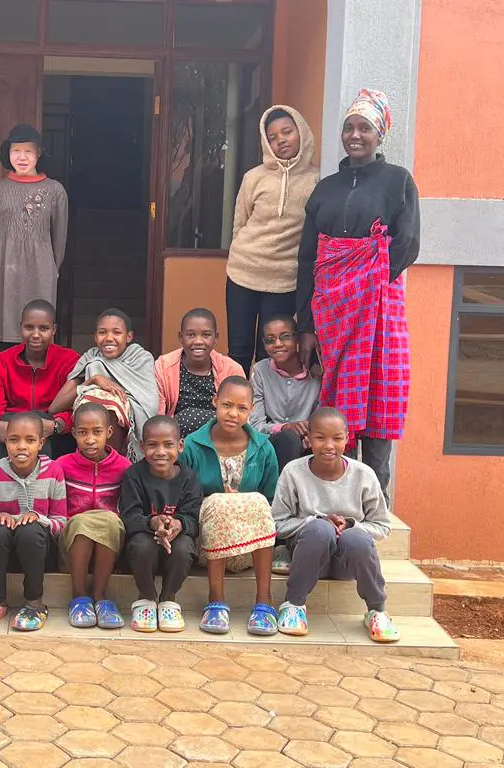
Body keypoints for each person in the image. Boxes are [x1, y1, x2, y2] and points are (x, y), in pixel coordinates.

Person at [296, 89, 420, 494]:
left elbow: (407, 244)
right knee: (337, 403)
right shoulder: (325, 188)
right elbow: (308, 258)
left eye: (364, 127)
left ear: (379, 133)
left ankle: (375, 506)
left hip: (378, 308)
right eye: (349, 127)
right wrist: (307, 323)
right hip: (331, 309)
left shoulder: (399, 181)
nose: (355, 135)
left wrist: (368, 286)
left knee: (379, 394)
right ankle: (335, 499)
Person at [270, 407, 397, 642]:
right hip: (307, 556)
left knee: (356, 538)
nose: (329, 445)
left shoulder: (364, 475)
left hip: (346, 563)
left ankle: (377, 611)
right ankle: (294, 604)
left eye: (337, 438)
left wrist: (350, 525)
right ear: (308, 439)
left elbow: (382, 525)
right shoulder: (293, 472)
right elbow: (277, 522)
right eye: (320, 438)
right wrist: (317, 521)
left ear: (347, 439)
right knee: (319, 530)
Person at [180, 376, 279, 636]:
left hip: (250, 547)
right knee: (218, 502)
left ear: (251, 410)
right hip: (206, 545)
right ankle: (215, 601)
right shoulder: (192, 444)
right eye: (226, 405)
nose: (233, 413)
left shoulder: (263, 448)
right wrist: (222, 501)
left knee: (256, 501)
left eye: (242, 408)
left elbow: (270, 501)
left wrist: (240, 503)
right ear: (215, 402)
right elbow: (184, 499)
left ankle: (264, 601)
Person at [226, 106, 319, 375]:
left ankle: (261, 410)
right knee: (239, 349)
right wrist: (237, 256)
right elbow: (239, 224)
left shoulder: (316, 180)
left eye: (287, 132)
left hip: (284, 281)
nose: (281, 140)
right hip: (243, 273)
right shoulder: (254, 177)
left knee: (270, 351)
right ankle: (235, 408)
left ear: (301, 132)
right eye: (273, 137)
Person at [0, 413, 67, 632]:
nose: (21, 447)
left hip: (39, 551)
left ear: (41, 443)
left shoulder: (54, 471)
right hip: (3, 552)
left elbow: (61, 522)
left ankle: (34, 604)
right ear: (5, 441)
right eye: (14, 440)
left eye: (30, 440)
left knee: (30, 531)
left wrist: (38, 519)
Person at [0, 124, 69, 348]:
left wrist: (52, 267)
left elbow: (59, 238)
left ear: (38, 153)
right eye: (16, 151)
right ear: (8, 153)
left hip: (42, 268)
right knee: (8, 330)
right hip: (6, 269)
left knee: (39, 332)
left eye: (28, 151)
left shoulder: (55, 190)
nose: (22, 157)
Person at [120, 415, 202, 633]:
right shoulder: (134, 475)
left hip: (176, 539)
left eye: (168, 445)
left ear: (180, 446)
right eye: (152, 445)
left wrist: (178, 524)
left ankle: (168, 599)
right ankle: (146, 597)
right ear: (141, 446)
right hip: (144, 536)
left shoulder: (189, 478)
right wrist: (153, 522)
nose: (160, 452)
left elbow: (194, 519)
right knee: (142, 546)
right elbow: (129, 517)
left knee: (184, 548)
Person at [54, 403, 131, 630]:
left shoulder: (124, 468)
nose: (90, 439)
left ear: (109, 433)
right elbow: (57, 511)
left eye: (97, 432)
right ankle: (79, 597)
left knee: (108, 520)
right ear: (74, 433)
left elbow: (126, 511)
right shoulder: (62, 466)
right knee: (81, 522)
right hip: (73, 541)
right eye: (83, 432)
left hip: (108, 541)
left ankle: (100, 597)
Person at [49, 309, 158, 460]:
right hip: (89, 431)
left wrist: (118, 402)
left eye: (116, 332)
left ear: (129, 336)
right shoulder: (90, 359)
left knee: (109, 402)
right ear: (95, 337)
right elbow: (55, 407)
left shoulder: (141, 358)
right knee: (94, 398)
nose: (108, 338)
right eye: (102, 332)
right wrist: (92, 380)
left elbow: (150, 404)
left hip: (127, 431)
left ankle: (111, 465)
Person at [0, 300, 80, 462]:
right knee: (12, 422)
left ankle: (42, 481)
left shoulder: (69, 360)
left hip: (54, 435)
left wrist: (56, 425)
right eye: (29, 327)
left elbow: (77, 405)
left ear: (54, 330)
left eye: (44, 328)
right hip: (11, 433)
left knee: (38, 419)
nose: (35, 334)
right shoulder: (1, 362)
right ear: (21, 327)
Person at [155, 308, 245, 437]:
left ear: (216, 338)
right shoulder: (164, 366)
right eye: (191, 335)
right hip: (177, 440)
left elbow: (239, 415)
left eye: (206, 335)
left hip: (221, 438)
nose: (198, 341)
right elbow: (158, 414)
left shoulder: (232, 369)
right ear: (181, 337)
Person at [249, 314, 321, 471]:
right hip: (273, 445)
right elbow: (254, 425)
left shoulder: (316, 372)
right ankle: (282, 494)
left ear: (297, 339)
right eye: (270, 340)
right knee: (288, 440)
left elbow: (323, 413)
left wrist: (311, 432)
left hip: (311, 442)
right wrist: (284, 428)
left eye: (285, 337)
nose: (278, 344)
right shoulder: (260, 371)